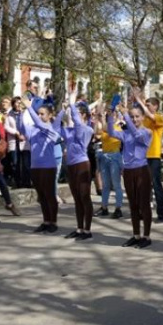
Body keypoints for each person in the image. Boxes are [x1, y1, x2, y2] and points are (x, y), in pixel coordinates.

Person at [107, 105, 153, 248]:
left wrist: (125, 114)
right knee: (133, 205)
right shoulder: (126, 133)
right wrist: (110, 116)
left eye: (137, 116)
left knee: (143, 205)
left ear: (143, 117)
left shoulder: (146, 132)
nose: (134, 119)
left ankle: (146, 236)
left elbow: (137, 135)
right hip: (128, 171)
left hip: (141, 170)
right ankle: (136, 235)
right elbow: (111, 132)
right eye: (132, 117)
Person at [20, 95, 63, 233]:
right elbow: (21, 127)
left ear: (50, 115)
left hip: (48, 166)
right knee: (41, 195)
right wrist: (22, 112)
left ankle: (53, 221)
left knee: (49, 194)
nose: (39, 116)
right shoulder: (34, 129)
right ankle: (45, 221)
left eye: (42, 114)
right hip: (35, 166)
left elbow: (38, 123)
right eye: (38, 113)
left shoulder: (50, 129)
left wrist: (29, 107)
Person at [61, 93, 95, 240]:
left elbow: (77, 121)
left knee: (85, 197)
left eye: (79, 113)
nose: (75, 115)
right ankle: (79, 228)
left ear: (85, 115)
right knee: (76, 198)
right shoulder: (71, 130)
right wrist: (63, 111)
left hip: (82, 165)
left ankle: (87, 230)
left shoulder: (87, 129)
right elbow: (58, 128)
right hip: (71, 165)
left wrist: (72, 104)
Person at [133, 89, 163, 223]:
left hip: (154, 157)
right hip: (142, 157)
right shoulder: (144, 120)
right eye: (145, 105)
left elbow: (149, 115)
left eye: (148, 105)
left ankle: (161, 214)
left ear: (155, 106)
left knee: (156, 185)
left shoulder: (159, 117)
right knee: (142, 186)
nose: (145, 107)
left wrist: (139, 100)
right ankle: (143, 212)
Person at [94, 103, 124, 219]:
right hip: (104, 156)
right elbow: (96, 132)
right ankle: (104, 207)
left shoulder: (118, 127)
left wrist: (101, 117)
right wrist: (97, 118)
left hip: (115, 157)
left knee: (116, 184)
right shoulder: (106, 126)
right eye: (110, 114)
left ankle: (118, 208)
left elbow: (107, 128)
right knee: (105, 184)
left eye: (113, 114)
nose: (111, 116)